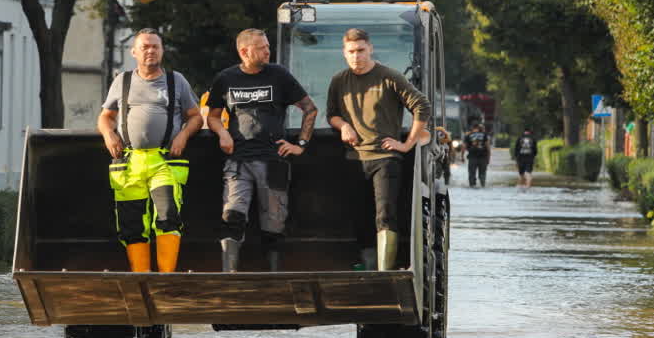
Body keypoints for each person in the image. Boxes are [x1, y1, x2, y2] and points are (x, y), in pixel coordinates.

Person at [205, 28, 317, 272]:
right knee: (232, 215)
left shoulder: (279, 75)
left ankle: (274, 277)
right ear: (244, 51)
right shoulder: (226, 78)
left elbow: (310, 108)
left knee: (274, 224)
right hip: (238, 160)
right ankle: (229, 277)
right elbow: (213, 116)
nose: (268, 51)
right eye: (262, 47)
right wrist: (223, 133)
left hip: (274, 160)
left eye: (268, 46)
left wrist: (301, 145)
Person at [325, 28, 431, 271]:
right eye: (351, 52)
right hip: (354, 157)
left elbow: (422, 105)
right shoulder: (339, 80)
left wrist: (406, 144)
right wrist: (343, 126)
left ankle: (385, 272)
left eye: (361, 50)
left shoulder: (389, 76)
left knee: (385, 214)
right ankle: (368, 265)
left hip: (385, 157)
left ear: (370, 49)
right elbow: (331, 114)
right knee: (360, 216)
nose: (356, 56)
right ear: (344, 53)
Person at [98, 29, 202, 272]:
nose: (150, 50)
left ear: (162, 51)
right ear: (134, 52)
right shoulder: (122, 81)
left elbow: (196, 117)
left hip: (165, 162)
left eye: (155, 46)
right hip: (129, 164)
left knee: (167, 217)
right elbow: (105, 117)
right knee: (131, 223)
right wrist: (108, 133)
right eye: (145, 46)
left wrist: (184, 135)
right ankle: (140, 278)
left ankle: (166, 278)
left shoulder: (177, 81)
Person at [463, 118, 492, 187]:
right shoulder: (484, 135)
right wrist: (489, 157)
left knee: (472, 175)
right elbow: (488, 147)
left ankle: (472, 185)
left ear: (471, 127)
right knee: (482, 175)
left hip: (472, 157)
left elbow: (463, 147)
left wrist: (462, 157)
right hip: (483, 157)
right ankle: (482, 185)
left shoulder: (468, 135)